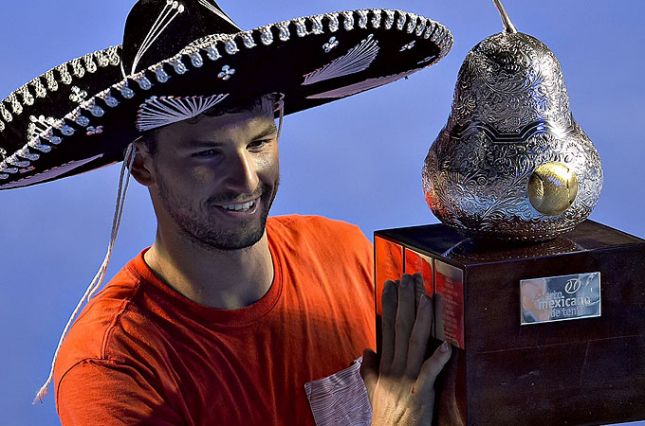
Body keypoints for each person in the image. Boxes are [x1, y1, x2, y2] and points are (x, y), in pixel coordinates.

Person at [0, 1, 454, 424]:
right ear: (141, 164)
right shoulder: (113, 365)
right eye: (207, 153)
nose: (247, 179)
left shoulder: (342, 253)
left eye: (259, 142)